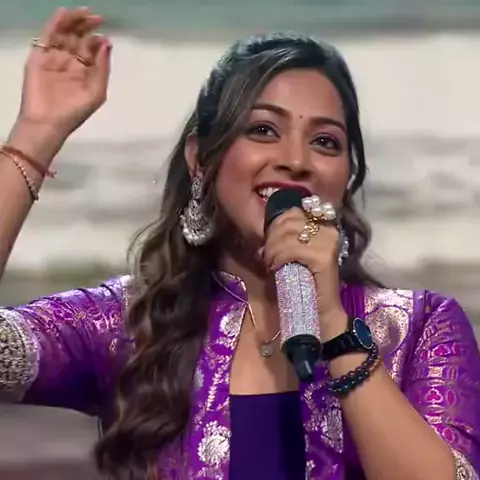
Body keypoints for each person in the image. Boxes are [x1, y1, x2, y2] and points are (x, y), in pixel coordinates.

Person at [0, 6, 479, 480]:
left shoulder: (419, 328)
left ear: (347, 177)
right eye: (263, 130)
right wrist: (36, 135)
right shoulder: (133, 324)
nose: (296, 160)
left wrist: (333, 325)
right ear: (201, 159)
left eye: (325, 142)